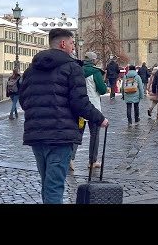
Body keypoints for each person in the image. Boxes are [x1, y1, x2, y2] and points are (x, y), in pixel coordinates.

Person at [18, 28, 108, 204]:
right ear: (63, 43)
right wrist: (100, 118)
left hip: (36, 135)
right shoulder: (71, 68)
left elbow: (24, 100)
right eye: (72, 43)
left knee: (47, 183)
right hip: (60, 135)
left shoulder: (31, 70)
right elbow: (79, 102)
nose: (74, 47)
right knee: (54, 186)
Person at [71, 51, 108, 170]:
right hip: (93, 108)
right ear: (93, 60)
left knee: (78, 133)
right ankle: (92, 161)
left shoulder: (78, 70)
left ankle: (71, 158)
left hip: (80, 107)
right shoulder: (95, 72)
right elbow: (102, 90)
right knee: (95, 134)